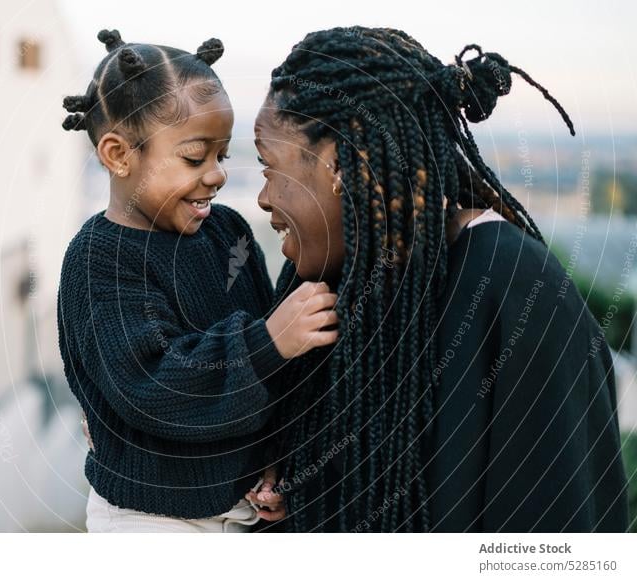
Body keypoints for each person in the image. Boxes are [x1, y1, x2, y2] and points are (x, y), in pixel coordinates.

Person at [254, 26, 629, 532]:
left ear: (339, 162)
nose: (262, 199)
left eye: (267, 166)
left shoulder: (518, 291)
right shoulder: (328, 283)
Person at [57, 29, 336, 532]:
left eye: (221, 156)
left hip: (246, 511)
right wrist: (267, 342)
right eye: (193, 157)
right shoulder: (99, 260)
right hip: (152, 519)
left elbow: (267, 368)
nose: (216, 175)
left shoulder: (227, 231)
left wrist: (272, 459)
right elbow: (153, 386)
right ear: (120, 155)